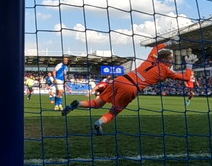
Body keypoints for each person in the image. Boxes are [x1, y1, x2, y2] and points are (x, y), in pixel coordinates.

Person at [62, 44, 193, 135]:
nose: (171, 61)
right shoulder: (167, 71)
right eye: (170, 59)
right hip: (131, 88)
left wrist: (169, 42)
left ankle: (76, 104)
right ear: (164, 59)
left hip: (120, 79)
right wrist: (189, 64)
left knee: (97, 103)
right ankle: (98, 123)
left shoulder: (150, 59)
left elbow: (156, 47)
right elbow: (186, 77)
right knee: (113, 112)